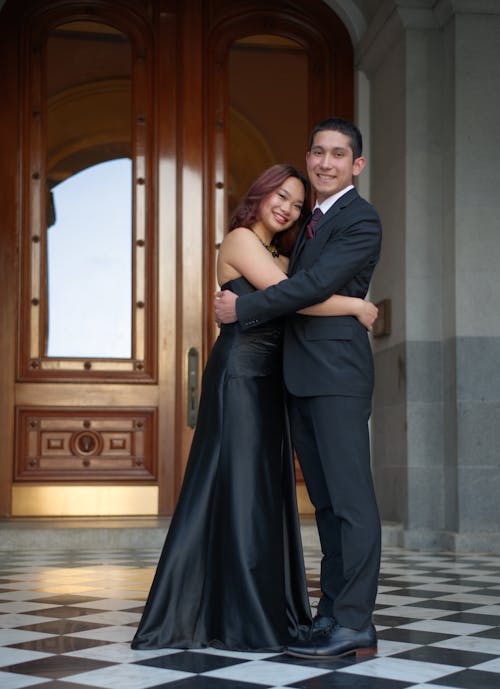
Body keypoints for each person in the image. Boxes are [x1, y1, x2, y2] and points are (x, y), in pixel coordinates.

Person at [132, 163, 378, 652]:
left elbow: (296, 292)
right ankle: (237, 618)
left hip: (272, 382)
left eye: (296, 203)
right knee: (238, 488)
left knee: (262, 493)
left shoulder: (281, 254)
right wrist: (356, 306)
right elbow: (295, 298)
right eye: (279, 196)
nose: (286, 207)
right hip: (241, 376)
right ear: (260, 193)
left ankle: (264, 610)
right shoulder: (241, 239)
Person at [214, 118, 383, 659]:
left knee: (352, 503)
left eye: (338, 154)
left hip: (336, 376)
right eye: (318, 152)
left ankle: (354, 622)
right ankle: (331, 614)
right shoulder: (308, 224)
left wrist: (244, 308)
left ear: (355, 165)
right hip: (301, 378)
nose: (325, 163)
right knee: (329, 505)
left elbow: (306, 289)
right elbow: (295, 285)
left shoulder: (361, 219)